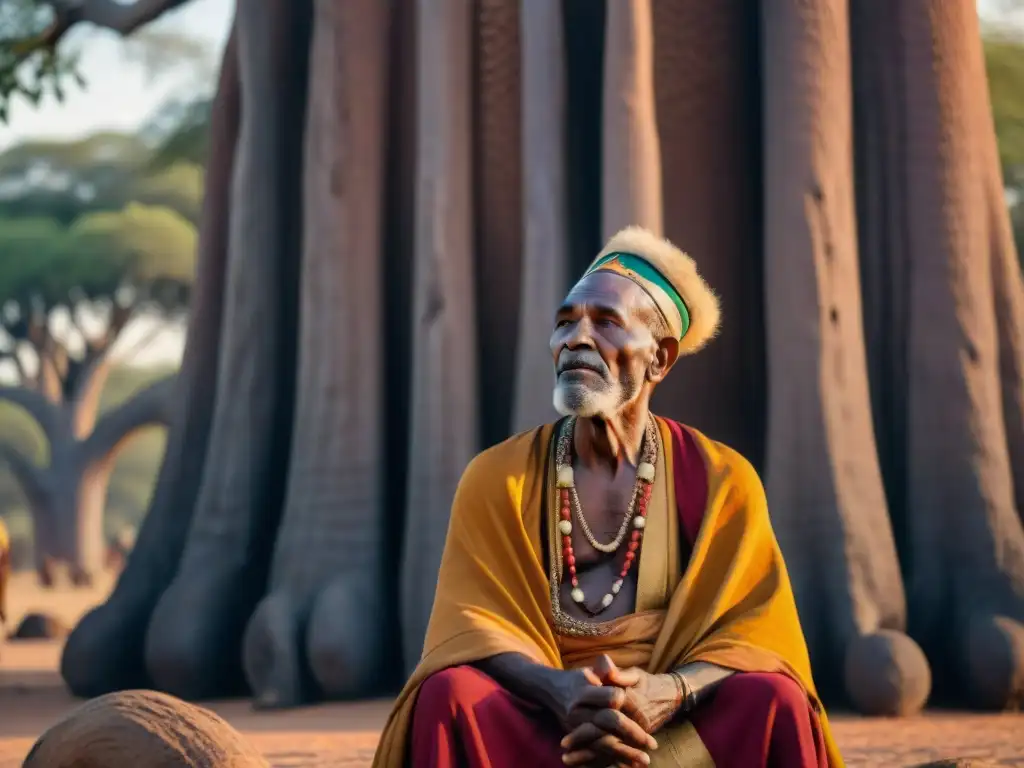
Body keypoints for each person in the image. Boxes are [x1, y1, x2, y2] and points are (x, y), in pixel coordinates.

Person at [372, 226, 843, 768]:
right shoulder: (497, 476)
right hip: (548, 725)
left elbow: (760, 632)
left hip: (671, 730)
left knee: (774, 700)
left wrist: (672, 692)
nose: (575, 338)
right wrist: (558, 691)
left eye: (606, 322)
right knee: (448, 695)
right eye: (566, 322)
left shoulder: (720, 478)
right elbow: (469, 623)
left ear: (660, 360)